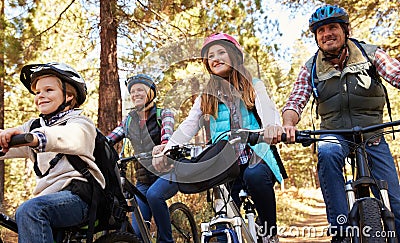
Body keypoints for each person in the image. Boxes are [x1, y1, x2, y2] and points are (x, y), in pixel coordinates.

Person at [281, 4, 400, 242]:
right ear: (316, 37)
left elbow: (395, 73)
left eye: (332, 27)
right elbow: (296, 100)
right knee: (327, 152)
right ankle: (341, 229)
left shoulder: (370, 54)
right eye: (321, 30)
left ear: (345, 30)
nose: (327, 34)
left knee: (396, 205)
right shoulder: (311, 67)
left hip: (372, 134)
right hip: (334, 133)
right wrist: (288, 124)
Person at [152, 33, 285, 243]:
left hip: (255, 154)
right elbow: (189, 125)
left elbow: (267, 109)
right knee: (223, 216)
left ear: (234, 56)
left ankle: (270, 232)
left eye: (221, 52)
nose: (216, 58)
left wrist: (272, 127)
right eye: (211, 56)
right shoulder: (206, 95)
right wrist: (169, 146)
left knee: (255, 176)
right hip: (223, 160)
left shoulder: (253, 84)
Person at [0, 62, 104, 243]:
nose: (41, 96)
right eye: (38, 92)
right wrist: (7, 137)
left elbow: (69, 137)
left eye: (49, 90)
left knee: (31, 211)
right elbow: (7, 139)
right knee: (31, 210)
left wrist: (36, 138)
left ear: (69, 95)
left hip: (79, 198)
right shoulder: (34, 126)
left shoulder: (80, 123)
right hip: (48, 199)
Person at [106, 74, 176, 243]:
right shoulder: (129, 121)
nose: (135, 94)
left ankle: (166, 241)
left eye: (140, 90)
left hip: (168, 174)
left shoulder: (163, 113)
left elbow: (167, 134)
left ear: (151, 93)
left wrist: (163, 146)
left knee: (154, 195)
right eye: (132, 91)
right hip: (143, 181)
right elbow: (110, 139)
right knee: (138, 234)